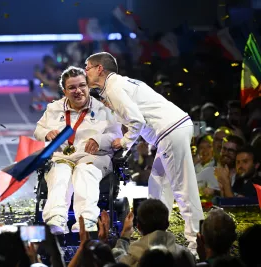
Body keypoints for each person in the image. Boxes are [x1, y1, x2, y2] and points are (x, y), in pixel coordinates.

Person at [84, 52, 203, 252]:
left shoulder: (115, 88)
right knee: (157, 185)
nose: (84, 72)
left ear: (99, 69)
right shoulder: (117, 85)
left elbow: (136, 121)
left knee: (183, 190)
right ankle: (157, 238)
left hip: (171, 131)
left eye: (87, 67)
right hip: (172, 130)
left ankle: (196, 246)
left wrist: (123, 143)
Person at [34, 66, 122, 234]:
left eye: (82, 85)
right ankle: (56, 220)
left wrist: (99, 139)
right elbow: (38, 130)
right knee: (60, 174)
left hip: (93, 156)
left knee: (84, 171)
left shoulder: (103, 109)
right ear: (64, 91)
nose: (78, 91)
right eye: (72, 87)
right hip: (62, 157)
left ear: (88, 86)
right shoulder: (54, 109)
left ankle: (86, 221)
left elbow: (116, 136)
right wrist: (46, 133)